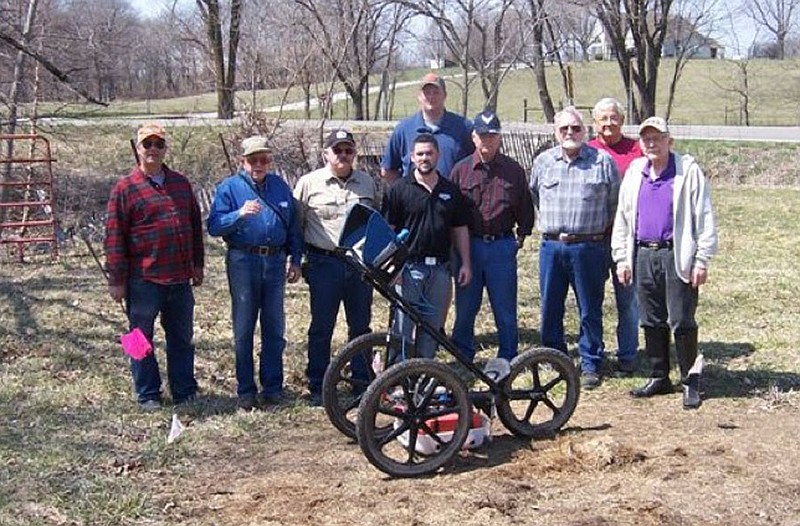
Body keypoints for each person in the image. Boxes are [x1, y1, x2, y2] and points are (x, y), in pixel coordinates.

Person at [611, 117, 717, 409]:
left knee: (682, 319)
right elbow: (622, 218)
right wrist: (622, 258)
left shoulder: (687, 172)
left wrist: (702, 259)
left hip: (676, 254)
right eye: (646, 138)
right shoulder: (635, 172)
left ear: (670, 140)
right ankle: (659, 376)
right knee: (650, 318)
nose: (651, 143)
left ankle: (689, 381)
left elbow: (704, 218)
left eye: (657, 137)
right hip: (643, 254)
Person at [104, 122, 204, 412]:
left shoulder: (180, 183)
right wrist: (116, 280)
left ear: (165, 149)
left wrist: (197, 265)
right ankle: (147, 392)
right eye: (147, 144)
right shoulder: (125, 188)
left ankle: (185, 390)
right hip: (143, 279)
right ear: (138, 149)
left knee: (182, 339)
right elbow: (113, 238)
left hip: (179, 278)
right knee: (138, 338)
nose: (153, 149)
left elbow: (194, 227)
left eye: (158, 144)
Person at [206, 136, 302, 410]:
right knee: (244, 327)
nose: (258, 165)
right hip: (243, 260)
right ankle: (246, 390)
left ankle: (273, 388)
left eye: (264, 159)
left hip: (274, 263)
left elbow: (294, 227)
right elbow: (213, 226)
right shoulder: (230, 188)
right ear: (243, 162)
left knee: (274, 327)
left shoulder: (281, 188)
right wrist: (238, 214)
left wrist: (295, 259)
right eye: (253, 160)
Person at [530, 107, 620, 390]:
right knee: (550, 305)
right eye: (564, 129)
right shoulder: (543, 162)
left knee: (589, 307)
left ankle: (591, 361)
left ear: (586, 131)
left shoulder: (602, 162)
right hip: (552, 246)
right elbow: (535, 194)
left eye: (576, 128)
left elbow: (614, 204)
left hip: (589, 247)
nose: (570, 133)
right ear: (555, 132)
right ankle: (555, 356)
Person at [293, 130, 377, 406]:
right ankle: (318, 385)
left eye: (348, 151)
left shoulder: (366, 183)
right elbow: (297, 225)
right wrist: (296, 260)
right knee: (321, 326)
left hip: (359, 265)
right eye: (337, 150)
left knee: (360, 325)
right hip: (323, 263)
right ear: (325, 154)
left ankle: (362, 382)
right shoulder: (308, 184)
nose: (343, 155)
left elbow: (377, 221)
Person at [450, 110, 534, 363]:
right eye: (482, 136)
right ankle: (463, 354)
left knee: (505, 307)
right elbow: (451, 213)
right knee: (466, 306)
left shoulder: (513, 170)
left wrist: (518, 240)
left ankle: (508, 355)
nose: (487, 141)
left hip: (501, 246)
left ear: (500, 138)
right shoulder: (461, 171)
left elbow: (526, 210)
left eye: (492, 136)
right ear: (474, 137)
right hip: (469, 248)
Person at [382, 133, 472, 359]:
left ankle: (423, 378)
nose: (425, 158)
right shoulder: (398, 189)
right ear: (412, 157)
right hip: (408, 270)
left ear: (437, 156)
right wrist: (392, 269)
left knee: (431, 329)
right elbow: (388, 231)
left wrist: (466, 264)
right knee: (402, 329)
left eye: (429, 153)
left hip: (440, 270)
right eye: (420, 154)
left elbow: (459, 228)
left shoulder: (450, 191)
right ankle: (396, 380)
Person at [588, 97, 643, 376]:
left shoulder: (636, 150)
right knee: (591, 301)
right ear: (594, 123)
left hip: (627, 239)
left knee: (627, 300)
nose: (609, 123)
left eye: (614, 117)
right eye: (603, 118)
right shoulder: (586, 151)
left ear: (622, 119)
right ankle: (593, 358)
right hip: (594, 239)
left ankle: (628, 355)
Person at [380, 72, 474, 184]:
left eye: (436, 92)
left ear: (445, 95)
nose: (431, 97)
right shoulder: (403, 130)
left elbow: (476, 166)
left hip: (452, 198)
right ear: (419, 96)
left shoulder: (463, 127)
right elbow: (388, 170)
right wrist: (404, 192)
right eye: (427, 93)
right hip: (413, 199)